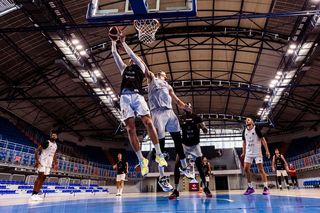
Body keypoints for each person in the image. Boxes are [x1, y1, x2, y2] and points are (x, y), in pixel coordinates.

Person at [110, 30, 167, 177]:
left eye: (135, 59)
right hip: (124, 98)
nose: (132, 60)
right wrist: (112, 41)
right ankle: (142, 160)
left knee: (148, 122)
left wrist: (122, 42)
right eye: (131, 60)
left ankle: (159, 154)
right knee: (130, 129)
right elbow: (115, 55)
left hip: (137, 97)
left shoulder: (141, 68)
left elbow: (132, 55)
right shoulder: (124, 69)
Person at [145, 69, 194, 192]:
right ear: (159, 75)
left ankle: (184, 166)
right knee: (160, 145)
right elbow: (145, 69)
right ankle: (161, 177)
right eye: (164, 75)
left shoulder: (168, 86)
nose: (165, 77)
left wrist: (185, 107)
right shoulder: (152, 80)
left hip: (170, 112)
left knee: (178, 140)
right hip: (157, 112)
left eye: (165, 76)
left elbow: (177, 101)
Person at [169, 104, 213, 199]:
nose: (188, 108)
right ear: (184, 108)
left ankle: (206, 188)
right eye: (186, 106)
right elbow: (175, 129)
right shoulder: (181, 118)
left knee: (200, 167)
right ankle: (176, 190)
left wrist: (202, 127)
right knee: (176, 166)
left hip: (195, 146)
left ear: (191, 108)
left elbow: (206, 130)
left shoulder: (197, 117)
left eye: (189, 106)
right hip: (184, 145)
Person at [241, 117, 271, 195]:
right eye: (246, 120)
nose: (247, 120)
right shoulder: (244, 131)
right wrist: (243, 152)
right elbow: (244, 142)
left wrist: (267, 151)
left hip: (257, 152)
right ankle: (250, 188)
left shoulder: (256, 129)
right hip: (248, 153)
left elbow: (263, 140)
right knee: (246, 169)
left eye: (249, 119)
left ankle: (266, 188)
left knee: (261, 170)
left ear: (252, 122)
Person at [31, 130, 59, 201]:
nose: (54, 136)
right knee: (39, 178)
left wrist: (55, 163)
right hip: (42, 162)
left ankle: (36, 193)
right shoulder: (46, 142)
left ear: (57, 137)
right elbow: (36, 151)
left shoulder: (55, 145)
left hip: (49, 163)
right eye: (53, 135)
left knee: (43, 179)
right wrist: (37, 161)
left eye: (55, 135)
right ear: (51, 136)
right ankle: (33, 194)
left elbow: (54, 154)